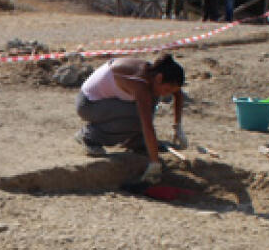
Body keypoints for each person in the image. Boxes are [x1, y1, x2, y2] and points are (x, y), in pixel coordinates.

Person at [74, 54, 188, 184]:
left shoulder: (155, 74)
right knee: (137, 119)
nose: (167, 93)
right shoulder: (139, 83)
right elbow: (147, 125)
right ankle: (89, 136)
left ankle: (136, 141)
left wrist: (178, 126)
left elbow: (177, 93)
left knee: (152, 98)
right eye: (167, 89)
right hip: (88, 104)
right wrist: (155, 163)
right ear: (159, 78)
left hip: (111, 100)